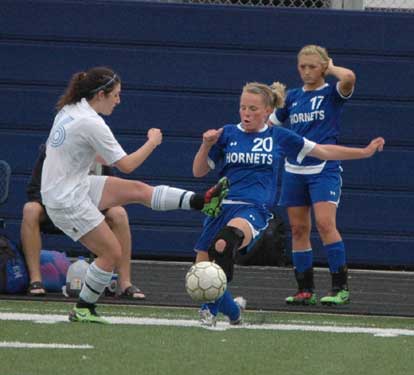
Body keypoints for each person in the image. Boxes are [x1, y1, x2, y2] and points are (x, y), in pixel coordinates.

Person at [40, 66, 228, 324]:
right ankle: (84, 308)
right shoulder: (91, 121)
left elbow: (84, 152)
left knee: (137, 190)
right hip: (65, 199)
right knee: (111, 254)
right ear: (101, 94)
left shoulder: (71, 110)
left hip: (72, 185)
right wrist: (152, 142)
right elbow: (126, 165)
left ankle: (201, 202)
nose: (119, 101)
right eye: (116, 95)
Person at [192, 81, 384, 326]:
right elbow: (198, 171)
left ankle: (208, 309)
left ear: (267, 111)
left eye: (253, 109)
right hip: (220, 207)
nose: (247, 113)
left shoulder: (278, 136)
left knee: (224, 243)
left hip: (253, 208)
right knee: (202, 268)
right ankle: (233, 311)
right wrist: (206, 144)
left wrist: (364, 152)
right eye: (243, 108)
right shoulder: (227, 133)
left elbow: (323, 151)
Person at [268, 44, 357, 306]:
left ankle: (340, 287)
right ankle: (305, 289)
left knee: (326, 224)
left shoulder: (331, 93)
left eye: (312, 66)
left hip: (324, 169)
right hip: (295, 169)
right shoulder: (292, 98)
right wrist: (271, 100)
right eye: (302, 67)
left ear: (323, 67)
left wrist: (331, 68)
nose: (307, 71)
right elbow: (270, 124)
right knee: (298, 229)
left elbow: (349, 77)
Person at [21, 144, 146, 300]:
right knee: (30, 210)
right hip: (55, 209)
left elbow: (110, 188)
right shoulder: (53, 149)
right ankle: (36, 280)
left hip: (89, 210)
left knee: (119, 213)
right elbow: (33, 190)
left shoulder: (99, 151)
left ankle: (125, 283)